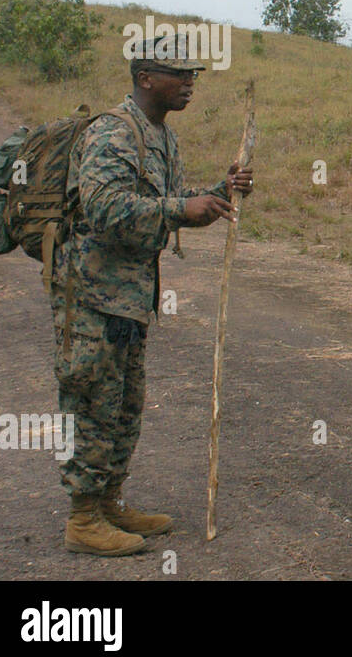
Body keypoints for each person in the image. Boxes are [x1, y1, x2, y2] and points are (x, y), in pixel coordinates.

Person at [54, 34, 251, 556]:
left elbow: (165, 199)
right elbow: (103, 210)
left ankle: (109, 502)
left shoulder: (161, 136)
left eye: (193, 76)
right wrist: (176, 212)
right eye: (179, 74)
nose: (189, 84)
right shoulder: (112, 134)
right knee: (91, 402)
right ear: (145, 78)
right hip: (93, 295)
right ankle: (82, 517)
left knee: (124, 405)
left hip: (131, 296)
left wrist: (216, 194)